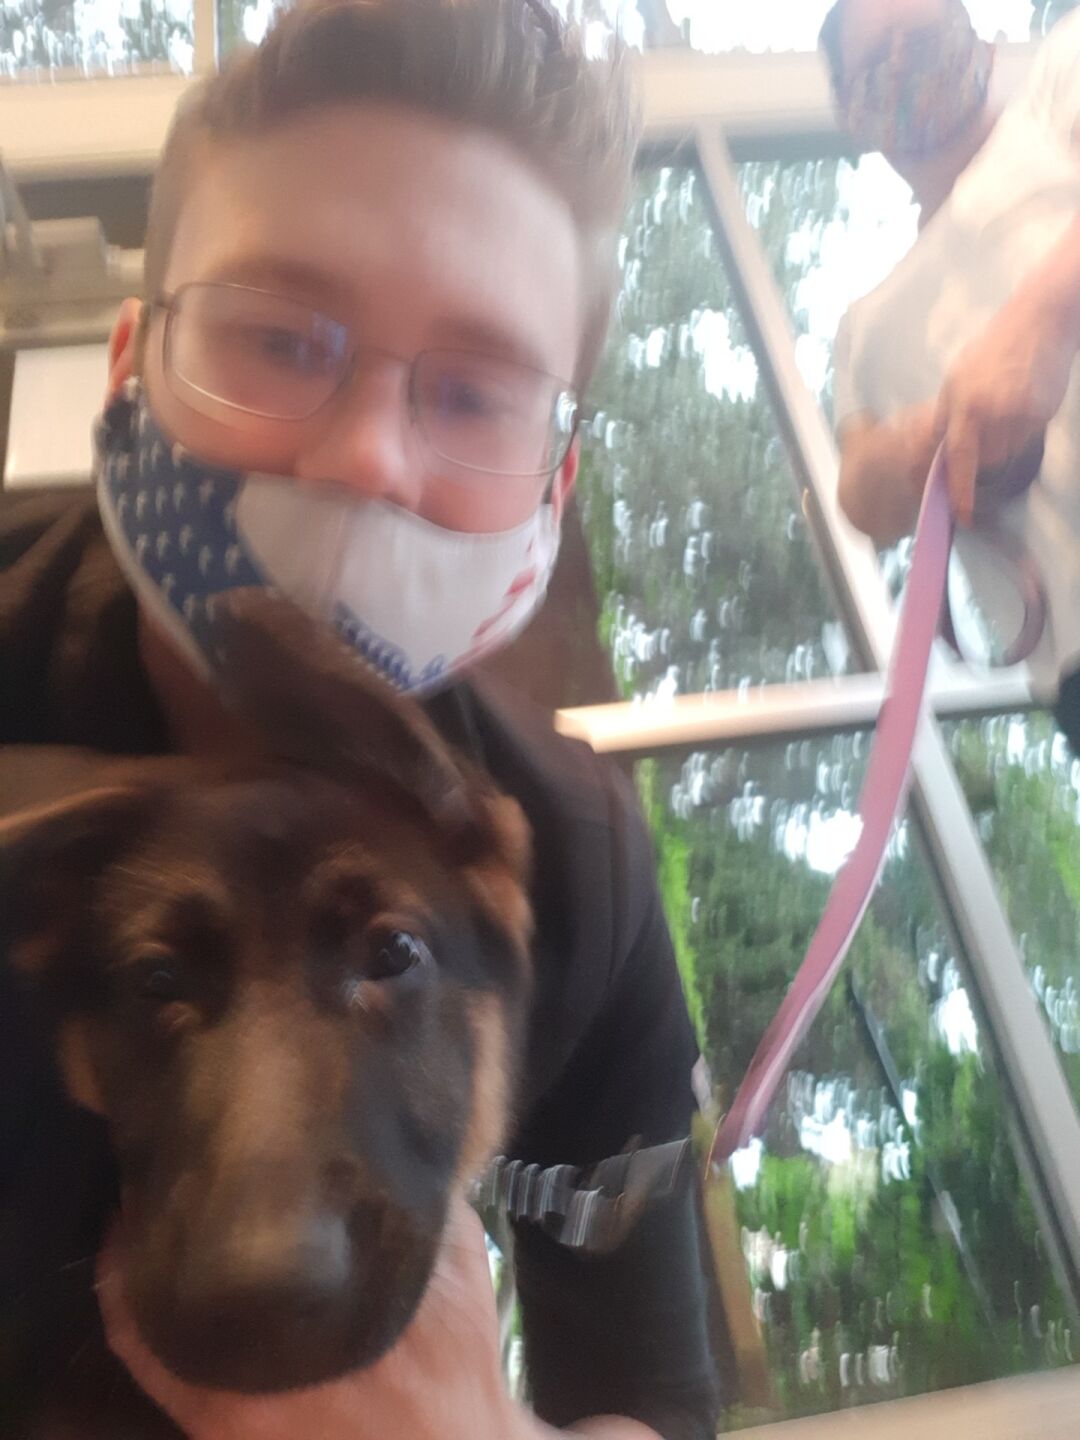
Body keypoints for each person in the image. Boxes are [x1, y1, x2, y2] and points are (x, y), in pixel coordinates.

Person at [0, 2, 721, 1437]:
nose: (370, 458)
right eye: (280, 337)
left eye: (474, 393)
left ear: (552, 493)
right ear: (130, 371)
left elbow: (650, 1399)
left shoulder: (574, 871)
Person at [821, 0, 1080, 754]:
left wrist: (1042, 315)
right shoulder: (864, 331)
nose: (906, 65)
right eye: (878, 65)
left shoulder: (1059, 89)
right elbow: (862, 500)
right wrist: (928, 438)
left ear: (986, 49)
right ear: (850, 112)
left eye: (926, 38)